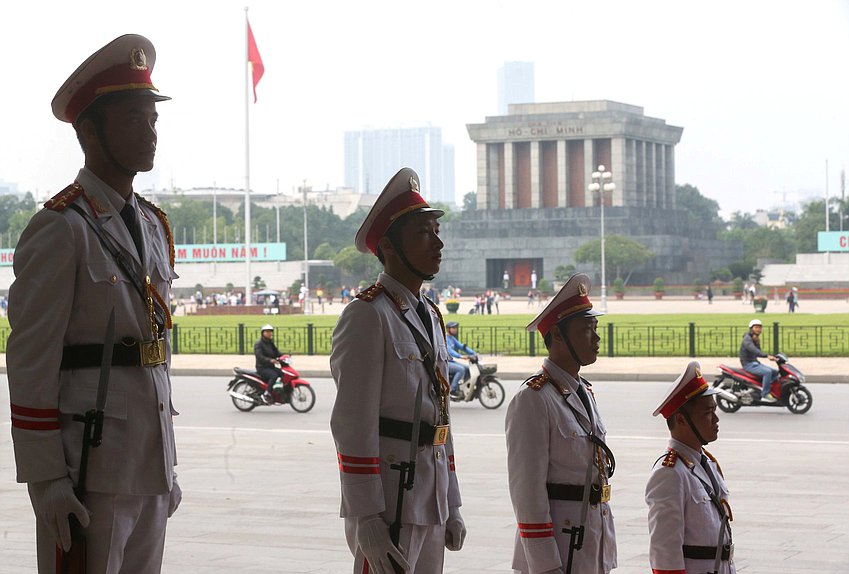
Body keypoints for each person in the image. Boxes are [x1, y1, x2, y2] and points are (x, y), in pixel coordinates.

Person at [6, 34, 180, 573]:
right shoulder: (61, 229)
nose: (150, 134)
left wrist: (168, 463)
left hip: (148, 463)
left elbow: (156, 347)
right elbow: (31, 362)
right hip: (88, 469)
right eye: (133, 120)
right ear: (89, 131)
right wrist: (46, 478)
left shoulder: (152, 224)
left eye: (152, 121)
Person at [330, 167, 465, 574]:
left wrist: (453, 502)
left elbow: (440, 415)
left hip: (430, 495)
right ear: (388, 246)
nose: (438, 242)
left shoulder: (429, 315)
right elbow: (352, 425)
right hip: (391, 501)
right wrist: (366, 516)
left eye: (436, 230)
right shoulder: (368, 315)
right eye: (424, 232)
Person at [505, 273, 616, 574]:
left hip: (588, 541)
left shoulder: (583, 391)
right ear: (556, 336)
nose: (596, 338)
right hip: (557, 552)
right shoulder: (534, 399)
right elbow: (527, 491)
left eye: (595, 328)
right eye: (586, 330)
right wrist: (544, 564)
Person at [646, 361, 735, 574]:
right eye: (707, 413)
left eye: (715, 410)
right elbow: (665, 550)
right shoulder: (669, 473)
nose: (715, 419)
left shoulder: (706, 463)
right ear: (681, 420)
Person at [740, 318, 779, 403]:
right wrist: (767, 356)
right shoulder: (747, 339)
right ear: (751, 328)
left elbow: (757, 351)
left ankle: (765, 387)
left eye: (760, 327)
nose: (758, 329)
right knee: (767, 372)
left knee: (775, 372)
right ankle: (765, 394)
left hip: (755, 363)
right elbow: (754, 350)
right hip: (748, 364)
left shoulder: (755, 338)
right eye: (756, 327)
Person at [445, 321, 477, 398]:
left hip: (451, 361)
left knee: (467, 368)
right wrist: (460, 356)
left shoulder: (452, 338)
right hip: (445, 362)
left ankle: (462, 387)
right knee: (461, 369)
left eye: (455, 328)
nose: (455, 329)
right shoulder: (445, 338)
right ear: (448, 329)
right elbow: (450, 351)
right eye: (453, 328)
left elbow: (462, 346)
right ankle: (452, 390)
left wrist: (474, 353)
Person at [255, 324, 283, 404]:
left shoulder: (270, 342)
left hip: (270, 366)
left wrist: (284, 356)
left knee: (282, 373)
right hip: (262, 368)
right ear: (263, 333)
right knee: (273, 375)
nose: (269, 333)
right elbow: (259, 356)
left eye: (270, 332)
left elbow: (276, 352)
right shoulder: (258, 344)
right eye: (267, 332)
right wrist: (270, 360)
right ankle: (266, 394)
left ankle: (278, 392)